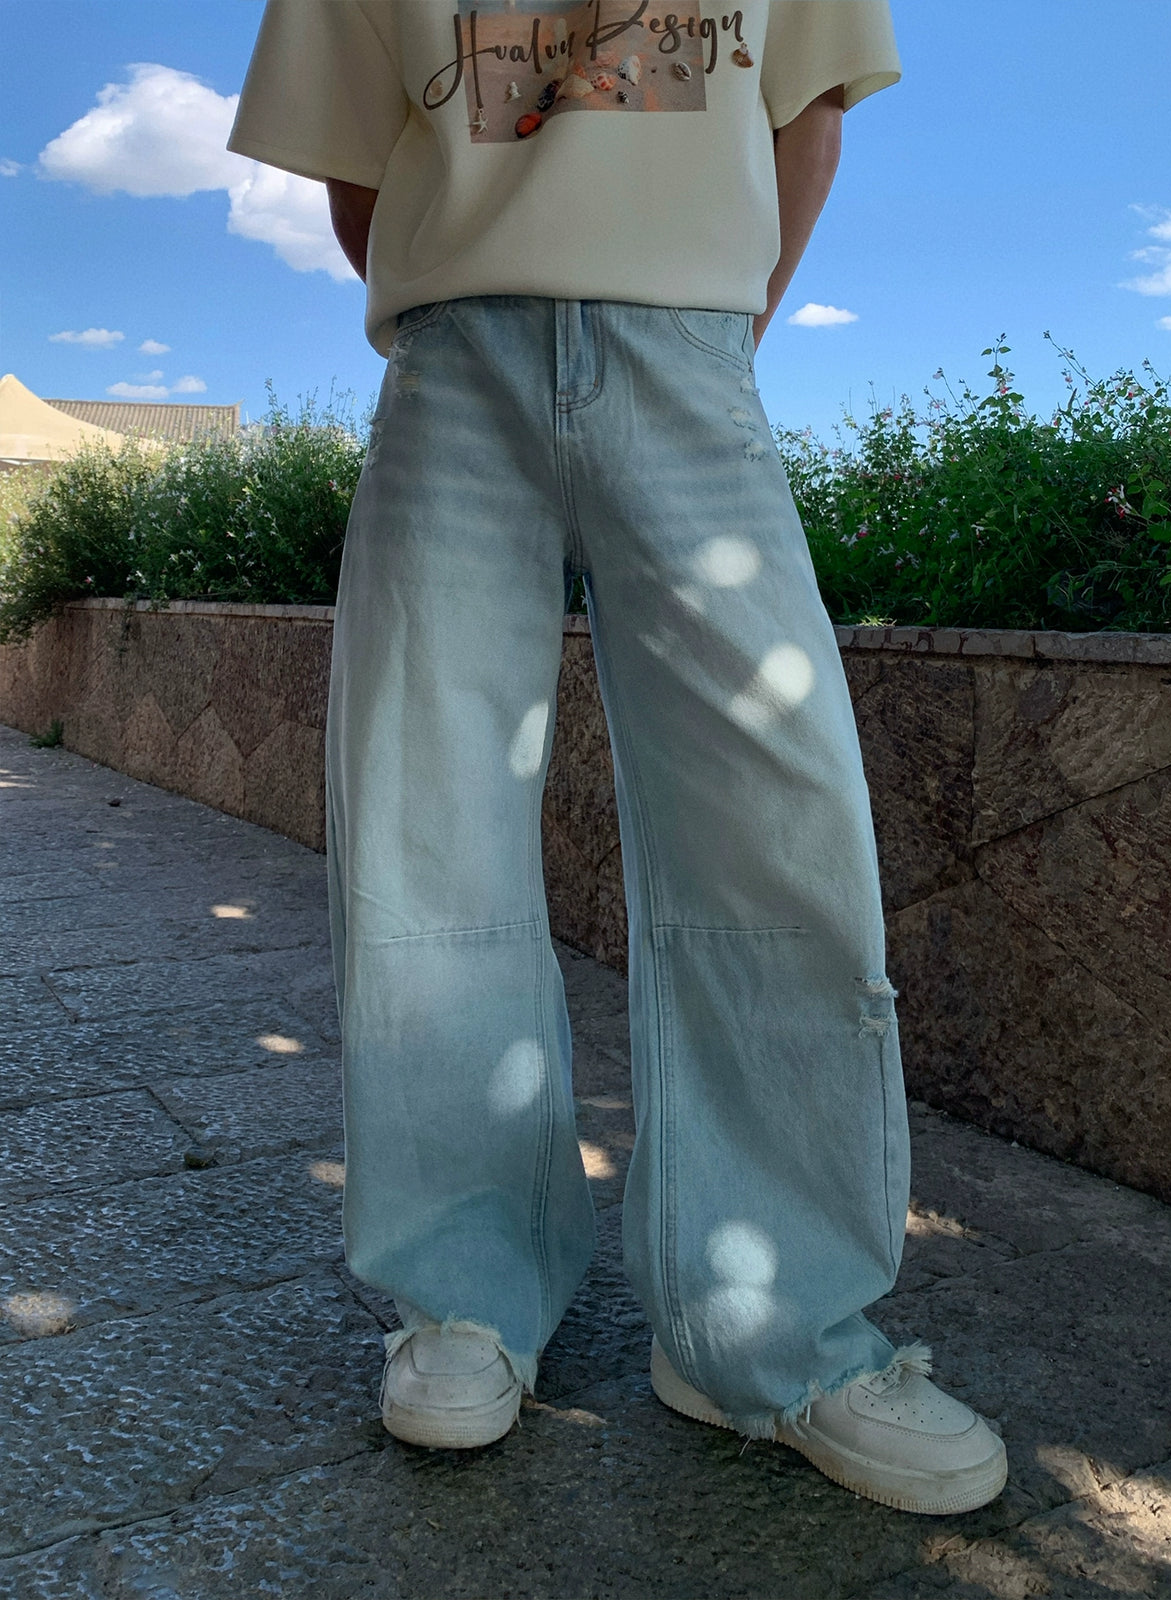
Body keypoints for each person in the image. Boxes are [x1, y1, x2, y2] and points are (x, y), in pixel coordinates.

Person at [228, 0, 1007, 1516]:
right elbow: (359, 176)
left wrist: (703, 314)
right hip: (456, 359)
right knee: (424, 822)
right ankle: (466, 1290)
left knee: (777, 823)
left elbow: (807, 108)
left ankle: (767, 1326)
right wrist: (491, 278)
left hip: (688, 348)